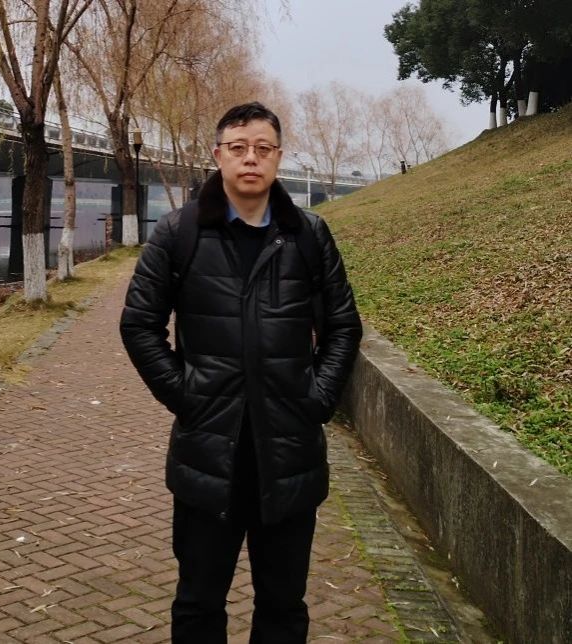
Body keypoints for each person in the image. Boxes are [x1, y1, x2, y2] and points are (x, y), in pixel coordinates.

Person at [119, 102, 362, 643]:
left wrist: (318, 398)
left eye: (263, 148)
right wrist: (187, 396)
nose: (251, 158)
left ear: (278, 156)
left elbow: (344, 327)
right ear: (218, 155)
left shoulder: (308, 235)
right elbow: (139, 325)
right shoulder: (179, 232)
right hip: (209, 455)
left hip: (289, 454)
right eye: (238, 148)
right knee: (199, 603)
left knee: (283, 604)